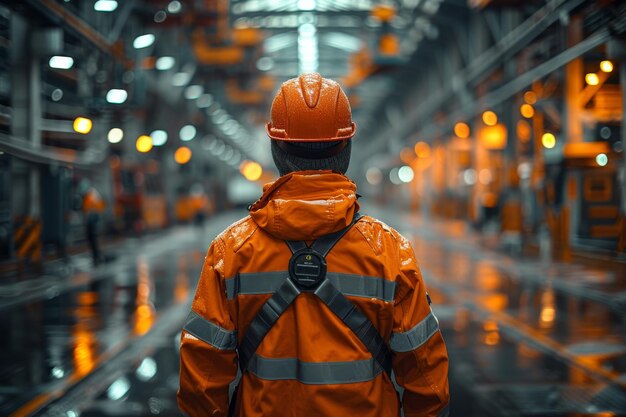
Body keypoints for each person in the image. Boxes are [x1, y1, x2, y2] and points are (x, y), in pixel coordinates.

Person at [178, 73, 450, 417]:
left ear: (277, 148)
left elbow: (202, 379)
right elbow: (426, 377)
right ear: (347, 148)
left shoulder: (230, 251)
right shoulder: (390, 250)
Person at [80, 181, 105, 265]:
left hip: (92, 220)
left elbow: (87, 210)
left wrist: (87, 222)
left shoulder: (89, 196)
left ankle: (96, 257)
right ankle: (97, 256)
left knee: (92, 239)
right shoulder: (93, 193)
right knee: (93, 239)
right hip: (95, 219)